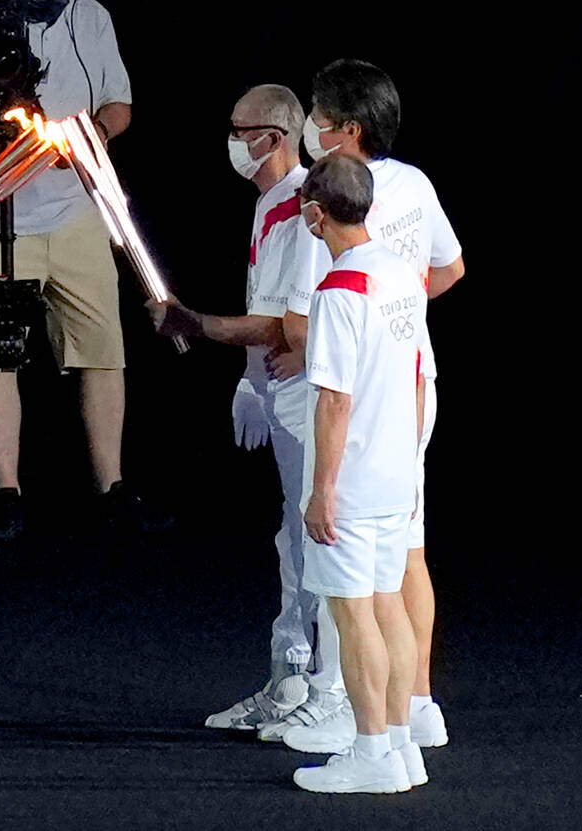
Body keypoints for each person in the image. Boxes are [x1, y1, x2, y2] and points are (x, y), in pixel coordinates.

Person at [275, 59, 464, 755]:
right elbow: (448, 268)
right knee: (403, 554)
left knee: (345, 565)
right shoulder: (415, 182)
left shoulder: (322, 202)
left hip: (356, 401)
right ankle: (417, 706)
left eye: (319, 118)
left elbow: (299, 325)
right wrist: (396, 324)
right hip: (415, 385)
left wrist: (340, 336)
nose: (311, 130)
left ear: (346, 128)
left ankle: (346, 708)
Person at [0, 0, 166, 540]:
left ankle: (111, 487)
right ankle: (5, 492)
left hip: (76, 212)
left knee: (102, 349)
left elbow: (118, 103)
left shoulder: (92, 16)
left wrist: (92, 139)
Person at [149, 85, 331, 732]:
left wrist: (195, 323)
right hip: (282, 392)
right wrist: (252, 380)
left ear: (272, 138)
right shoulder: (268, 205)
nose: (230, 139)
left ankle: (331, 696)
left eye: (238, 128)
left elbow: (292, 322)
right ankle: (288, 678)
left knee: (322, 540)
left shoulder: (310, 204)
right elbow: (269, 310)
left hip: (319, 401)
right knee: (293, 541)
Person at [290, 153, 428, 794]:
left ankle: (372, 752)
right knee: (388, 608)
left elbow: (334, 399)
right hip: (398, 472)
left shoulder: (340, 291)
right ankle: (401, 746)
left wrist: (322, 491)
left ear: (316, 214)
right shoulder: (402, 273)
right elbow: (421, 374)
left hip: (354, 480)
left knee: (353, 616)